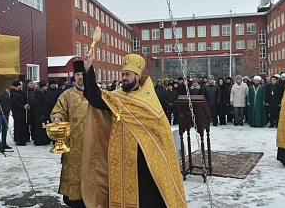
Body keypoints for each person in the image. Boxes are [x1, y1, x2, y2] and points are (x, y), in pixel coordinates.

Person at [82, 53, 187, 208]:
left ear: (137, 76)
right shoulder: (117, 97)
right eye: (123, 74)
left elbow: (160, 128)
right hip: (122, 155)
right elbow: (95, 97)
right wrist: (88, 69)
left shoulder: (149, 99)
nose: (124, 78)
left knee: (149, 195)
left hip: (146, 158)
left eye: (127, 74)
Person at [50, 61, 89, 208]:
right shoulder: (67, 95)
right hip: (73, 145)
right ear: (74, 76)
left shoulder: (97, 94)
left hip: (94, 144)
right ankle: (75, 200)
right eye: (78, 74)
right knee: (74, 173)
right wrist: (58, 118)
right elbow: (57, 110)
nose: (80, 77)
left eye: (83, 74)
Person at [10, 80, 29, 146]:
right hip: (18, 113)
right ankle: (19, 140)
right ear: (16, 86)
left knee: (21, 126)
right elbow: (15, 103)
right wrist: (23, 106)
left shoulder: (18, 93)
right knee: (19, 126)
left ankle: (21, 139)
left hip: (20, 112)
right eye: (19, 85)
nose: (21, 86)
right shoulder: (14, 94)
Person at [34, 81, 51, 146]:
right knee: (40, 127)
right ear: (42, 87)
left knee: (43, 127)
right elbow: (38, 105)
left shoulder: (44, 93)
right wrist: (42, 114)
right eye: (46, 86)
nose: (47, 87)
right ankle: (39, 141)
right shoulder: (39, 94)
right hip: (41, 114)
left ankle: (44, 140)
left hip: (45, 113)